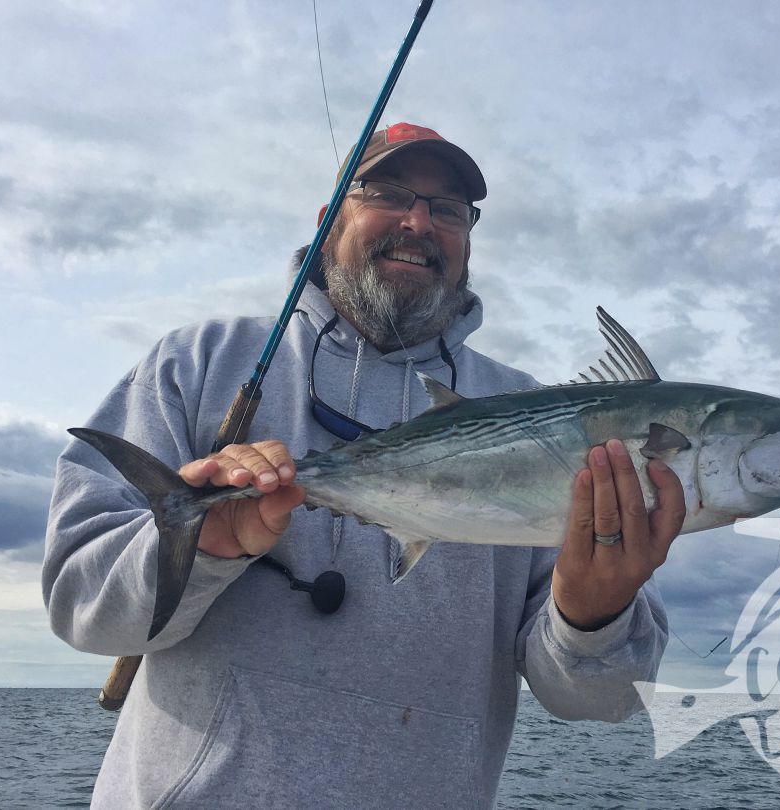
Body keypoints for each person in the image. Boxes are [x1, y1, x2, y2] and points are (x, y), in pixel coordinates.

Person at [43, 122, 686, 808]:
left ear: (468, 239)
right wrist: (204, 546)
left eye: (448, 210)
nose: (418, 221)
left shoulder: (540, 418)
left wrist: (594, 614)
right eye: (386, 192)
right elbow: (83, 610)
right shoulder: (199, 362)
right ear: (328, 220)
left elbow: (604, 700)